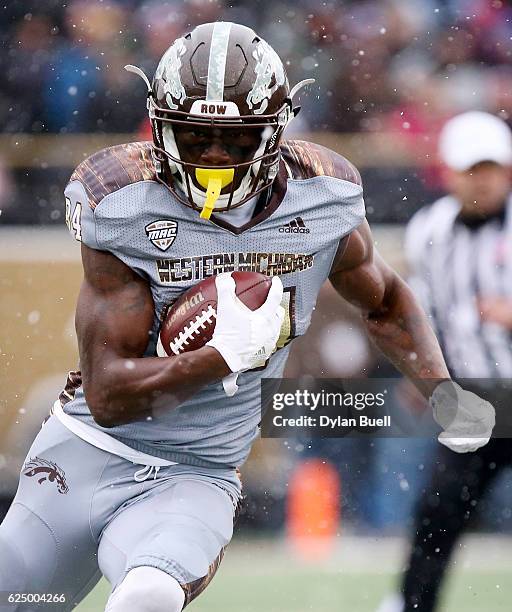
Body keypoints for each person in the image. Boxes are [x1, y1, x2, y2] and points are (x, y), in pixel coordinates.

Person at [0, 23, 495, 612]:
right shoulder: (123, 203)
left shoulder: (321, 197)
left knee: (148, 598)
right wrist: (223, 358)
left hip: (195, 476)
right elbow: (109, 395)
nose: (212, 155)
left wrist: (442, 393)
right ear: (160, 128)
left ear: (274, 133)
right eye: (194, 135)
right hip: (83, 453)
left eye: (233, 140)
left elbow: (386, 301)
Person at [377, 111, 512, 612]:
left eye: (488, 169)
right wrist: (423, 373)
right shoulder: (429, 230)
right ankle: (414, 603)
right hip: (474, 400)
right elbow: (421, 311)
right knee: (438, 509)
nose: (480, 181)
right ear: (449, 173)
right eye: (469, 170)